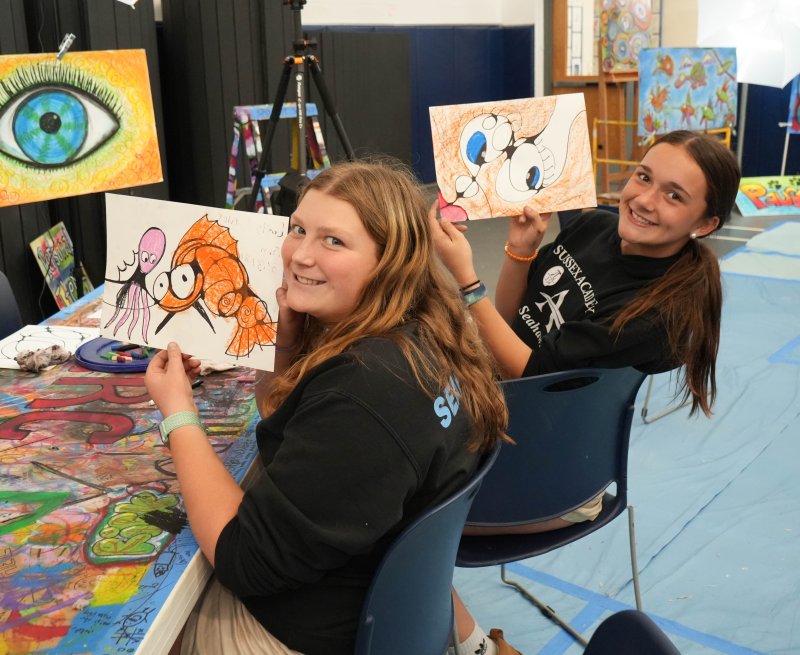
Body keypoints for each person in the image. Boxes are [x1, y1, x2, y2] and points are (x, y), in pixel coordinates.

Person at [144, 161, 510, 655]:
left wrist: (178, 413)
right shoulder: (425, 331)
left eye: (333, 241)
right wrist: (288, 348)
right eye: (298, 229)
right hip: (381, 599)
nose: (299, 255)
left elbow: (242, 559)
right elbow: (287, 424)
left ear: (389, 261)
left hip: (305, 632)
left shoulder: (365, 391)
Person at [432, 129, 741, 533]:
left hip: (552, 477)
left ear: (705, 223)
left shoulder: (654, 315)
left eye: (674, 195)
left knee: (394, 520)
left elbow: (527, 373)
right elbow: (512, 326)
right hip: (500, 411)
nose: (645, 200)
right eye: (644, 177)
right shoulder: (595, 226)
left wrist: (467, 280)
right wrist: (521, 252)